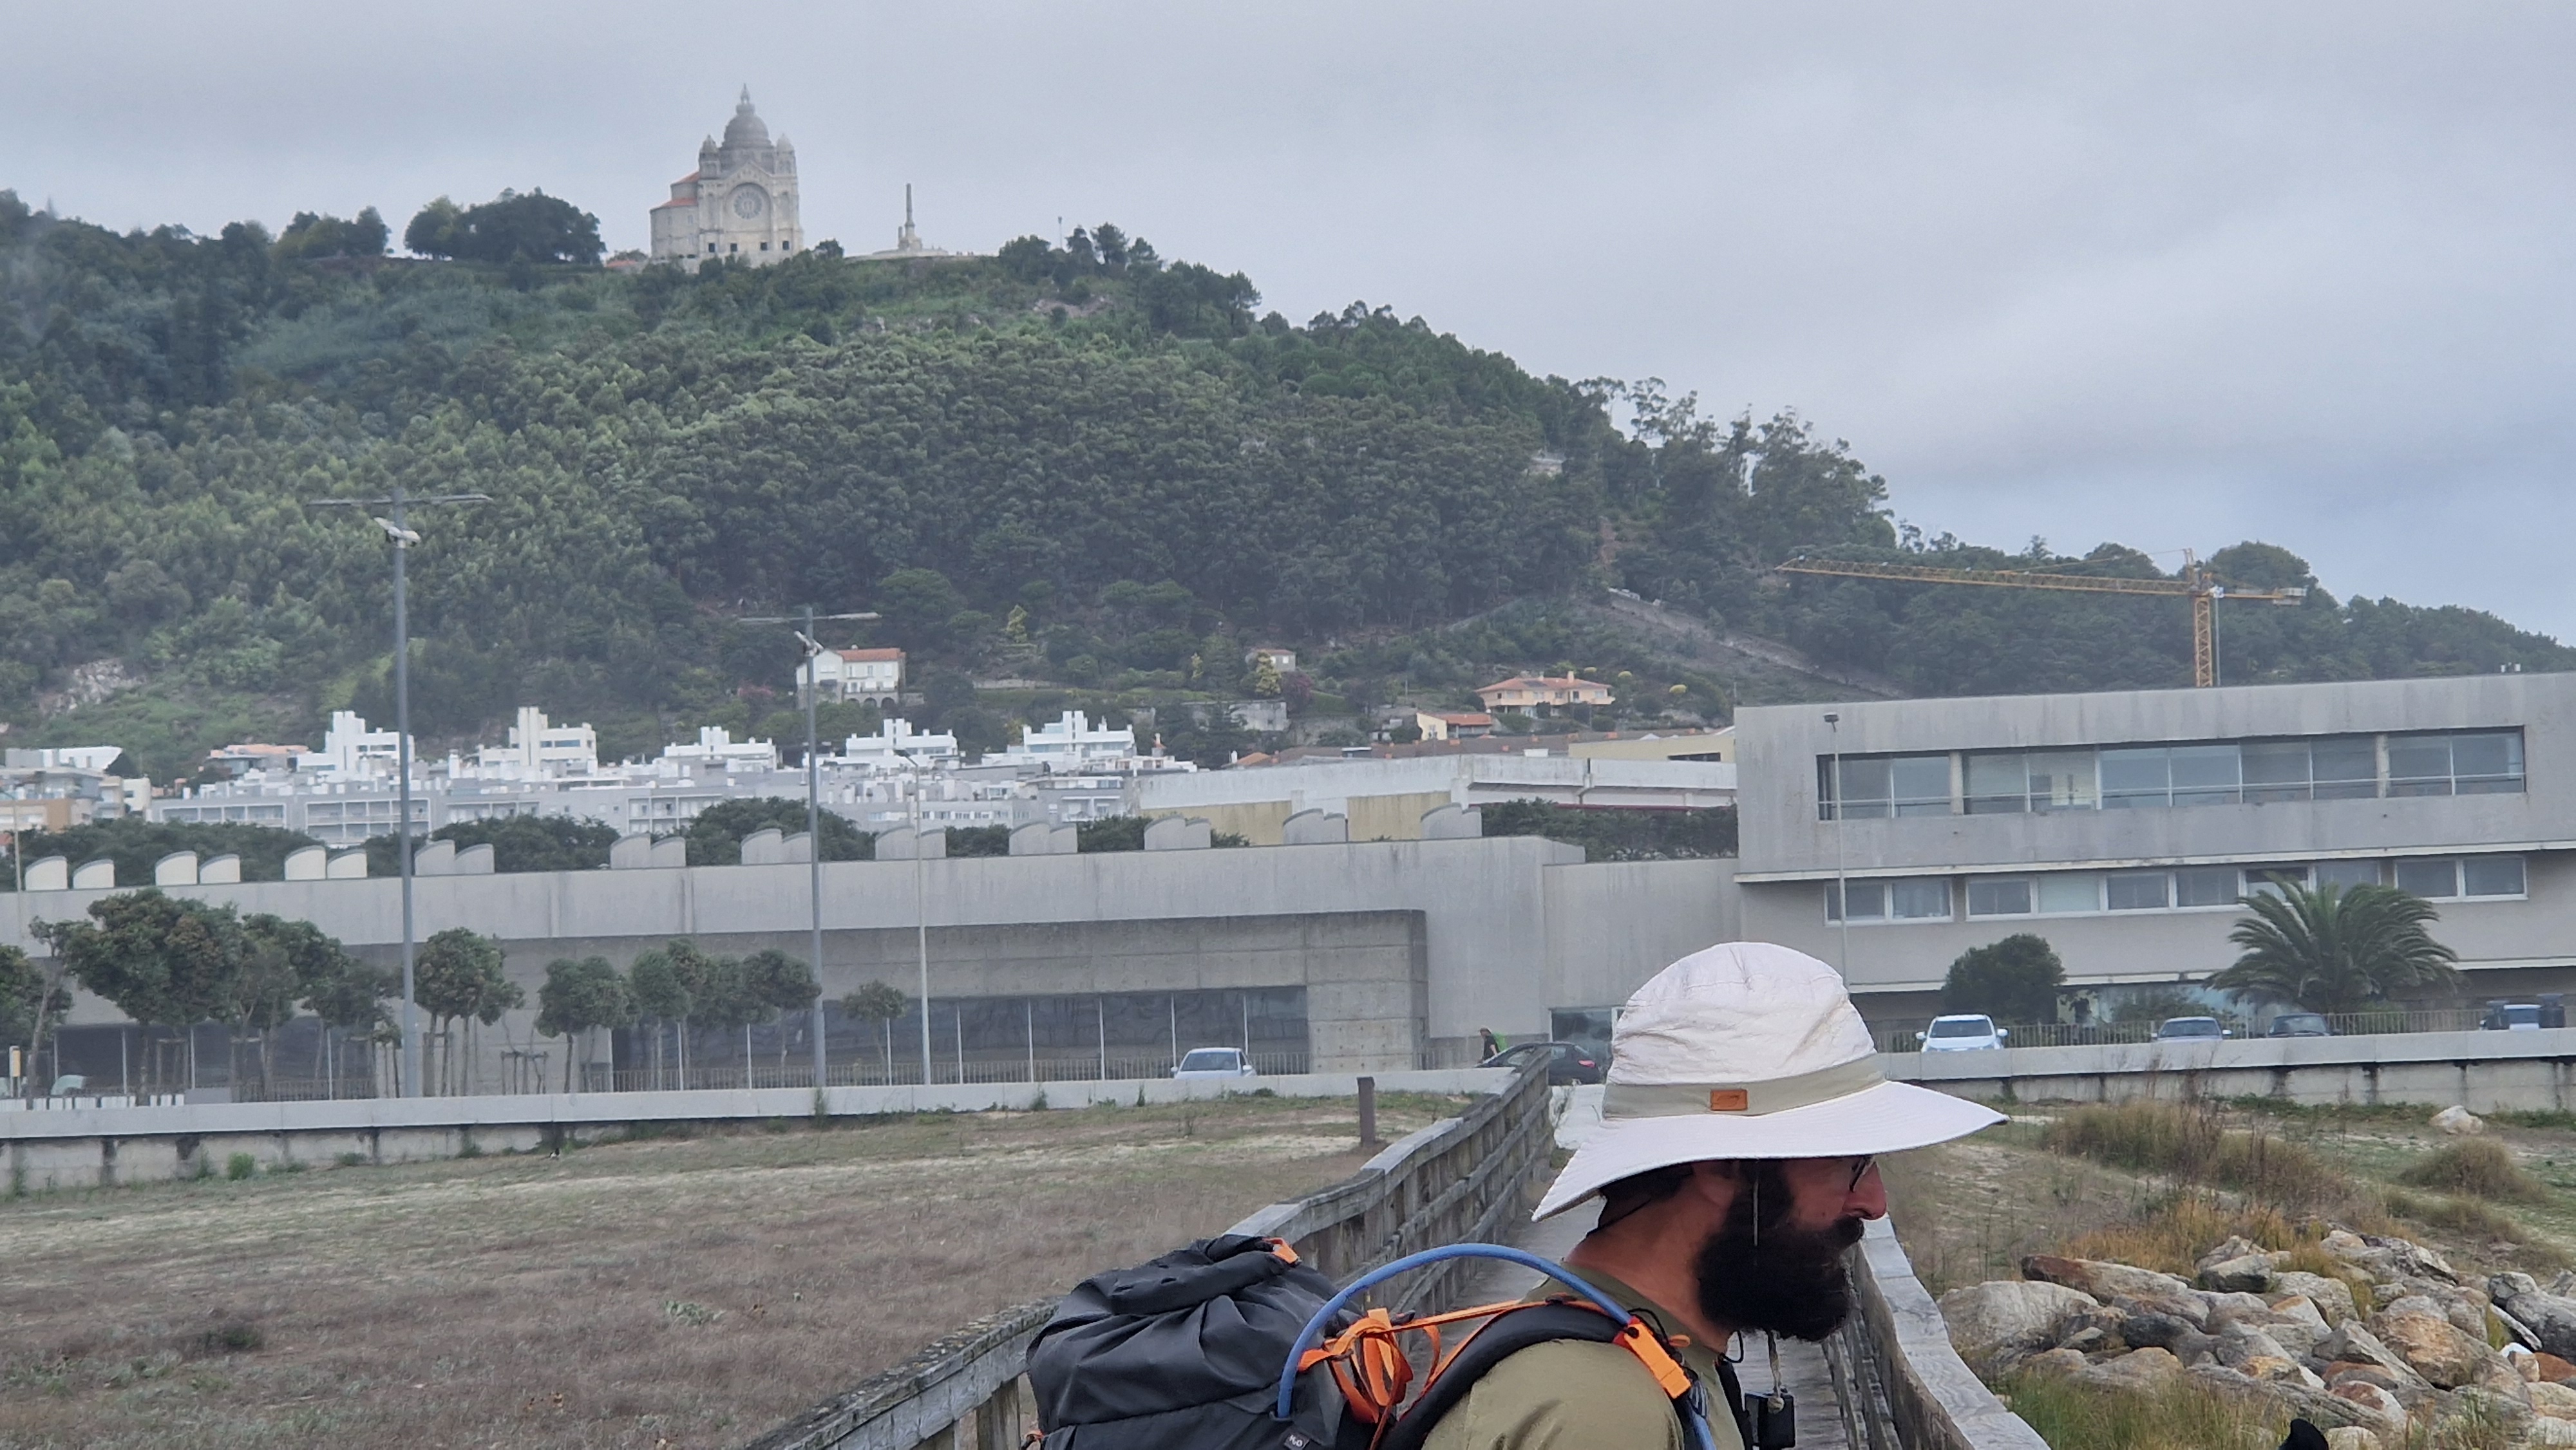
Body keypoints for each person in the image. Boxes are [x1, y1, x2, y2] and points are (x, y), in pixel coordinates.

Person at [1423, 941, 2004, 1449]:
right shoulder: (1600, 1412)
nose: (1874, 1203)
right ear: (1724, 1167)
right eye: (1850, 1165)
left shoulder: (1655, 1360)